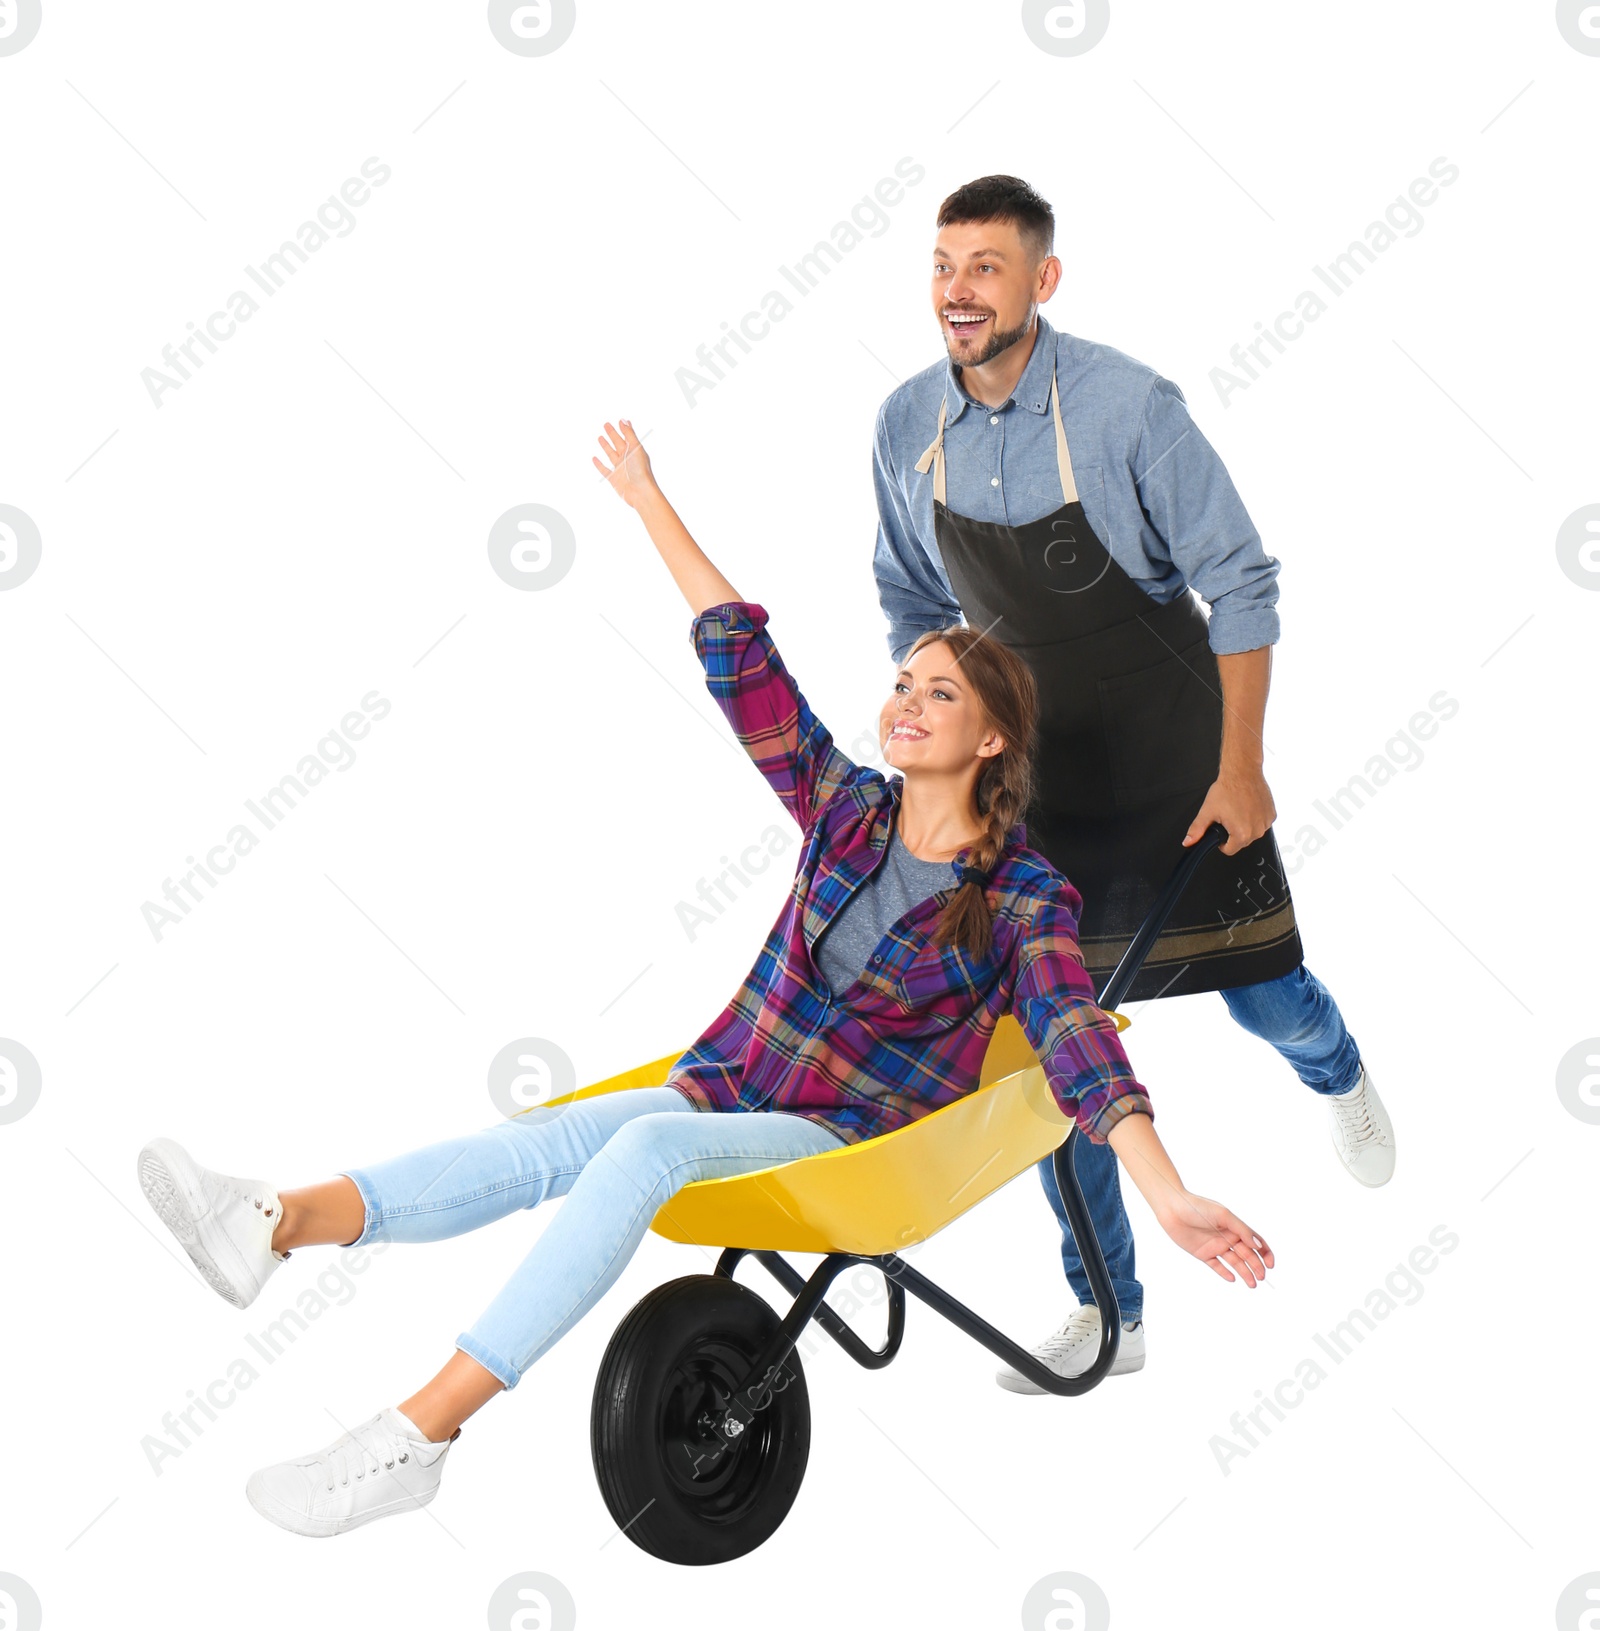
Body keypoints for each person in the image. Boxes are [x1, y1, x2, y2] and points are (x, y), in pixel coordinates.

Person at [135, 419, 1272, 1540]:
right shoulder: (845, 809)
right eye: (903, 680)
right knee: (547, 1137)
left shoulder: (1022, 892)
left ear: (988, 742)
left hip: (858, 1146)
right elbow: (744, 661)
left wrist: (1166, 1190)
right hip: (732, 1089)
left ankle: (415, 1437)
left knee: (639, 1150)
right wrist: (646, 499)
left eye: (936, 694)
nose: (904, 702)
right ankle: (271, 1222)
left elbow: (1077, 1038)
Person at [869, 174, 1393, 1394]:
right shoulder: (903, 424)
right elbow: (910, 601)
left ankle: (1339, 1070)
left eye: (986, 266)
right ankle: (1110, 1307)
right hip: (1033, 784)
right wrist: (942, 762)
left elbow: (1243, 584)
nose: (958, 289)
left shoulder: (1126, 407)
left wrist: (1244, 764)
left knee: (1264, 997)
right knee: (1053, 1051)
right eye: (944, 264)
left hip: (1175, 760)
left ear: (1041, 281)